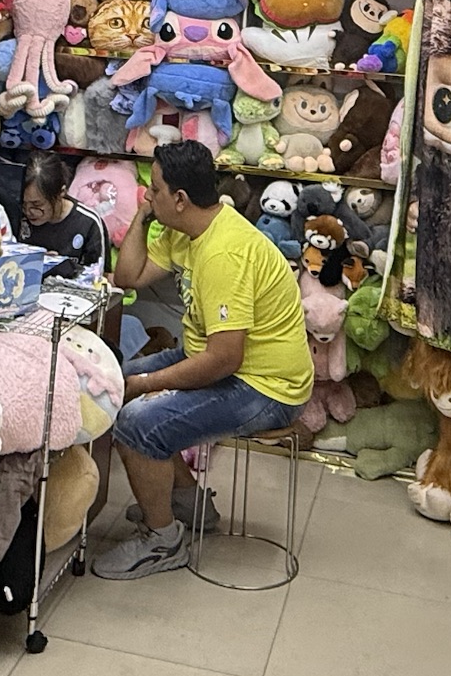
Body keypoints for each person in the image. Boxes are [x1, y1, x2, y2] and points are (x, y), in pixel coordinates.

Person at [88, 140, 312, 580]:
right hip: (213, 357)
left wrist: (148, 385)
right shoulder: (186, 228)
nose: (147, 194)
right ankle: (188, 504)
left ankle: (163, 541)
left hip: (266, 386)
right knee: (110, 381)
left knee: (136, 421)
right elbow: (128, 277)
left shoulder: (224, 253)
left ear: (181, 199)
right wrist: (144, 214)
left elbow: (224, 360)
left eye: (154, 189)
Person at [17, 151, 109, 278]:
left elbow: (98, 277)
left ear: (61, 192)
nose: (28, 211)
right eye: (23, 203)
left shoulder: (88, 223)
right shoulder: (16, 214)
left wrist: (64, 268)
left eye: (37, 204)